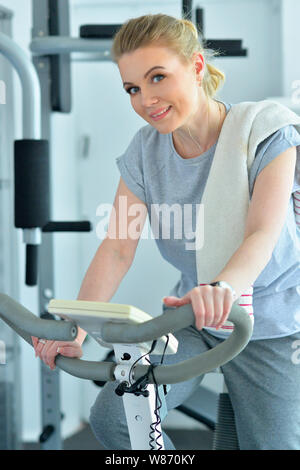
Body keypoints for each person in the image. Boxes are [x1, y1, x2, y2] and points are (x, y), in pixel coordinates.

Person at [32, 14, 300, 450]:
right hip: (195, 318)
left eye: (158, 77)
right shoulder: (144, 152)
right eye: (133, 88)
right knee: (119, 418)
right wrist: (75, 326)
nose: (146, 99)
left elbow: (263, 233)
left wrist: (223, 288)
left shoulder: (267, 131)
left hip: (276, 325)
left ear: (196, 67)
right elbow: (118, 246)